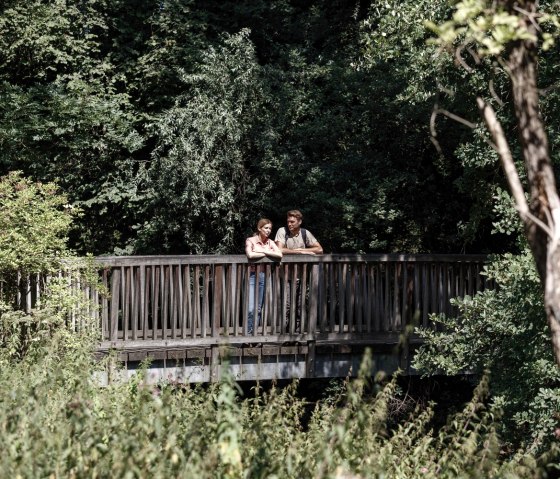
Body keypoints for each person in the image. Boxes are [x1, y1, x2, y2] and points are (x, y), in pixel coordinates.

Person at [275, 210, 322, 333]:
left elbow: (319, 249)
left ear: (299, 222)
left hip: (302, 275)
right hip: (285, 275)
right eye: (288, 221)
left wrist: (303, 250)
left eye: (292, 222)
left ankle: (297, 333)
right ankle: (285, 333)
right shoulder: (282, 231)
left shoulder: (305, 233)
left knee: (300, 304)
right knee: (287, 304)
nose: (289, 224)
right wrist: (300, 251)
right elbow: (279, 250)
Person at [245, 218, 282, 334]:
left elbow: (279, 254)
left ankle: (255, 334)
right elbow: (250, 254)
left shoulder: (270, 242)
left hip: (264, 275)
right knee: (251, 308)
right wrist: (266, 253)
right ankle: (249, 334)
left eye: (270, 228)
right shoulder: (250, 240)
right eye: (266, 228)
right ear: (259, 228)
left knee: (258, 308)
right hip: (252, 275)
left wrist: (263, 252)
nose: (268, 231)